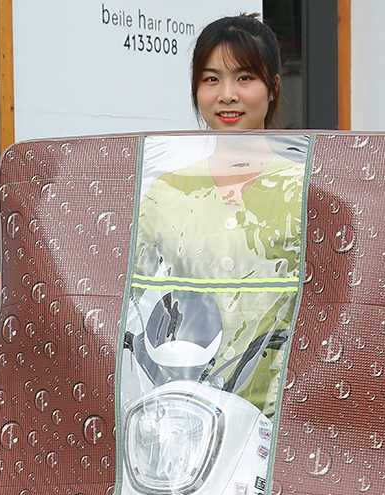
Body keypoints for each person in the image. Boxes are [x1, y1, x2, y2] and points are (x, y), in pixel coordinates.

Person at [128, 14, 306, 415]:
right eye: (211, 79)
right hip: (182, 411)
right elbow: (127, 294)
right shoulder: (167, 190)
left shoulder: (305, 188)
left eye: (244, 78)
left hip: (283, 410)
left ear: (273, 87)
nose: (227, 94)